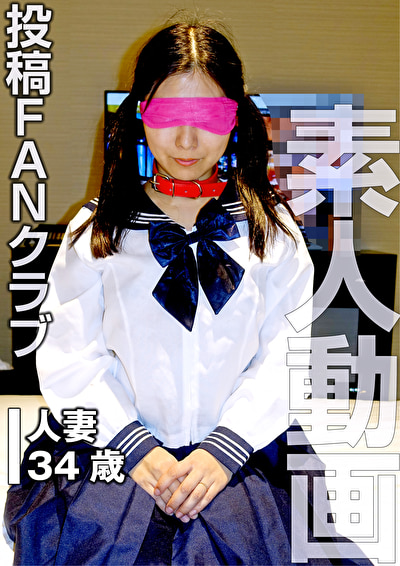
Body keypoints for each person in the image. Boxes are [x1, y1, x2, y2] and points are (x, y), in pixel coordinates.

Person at [4, 17, 371, 566]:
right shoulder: (96, 231)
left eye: (209, 117)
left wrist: (222, 452)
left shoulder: (274, 234)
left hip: (242, 448)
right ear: (140, 113)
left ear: (236, 118)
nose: (186, 140)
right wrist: (138, 451)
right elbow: (72, 356)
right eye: (168, 115)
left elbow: (285, 358)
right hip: (114, 444)